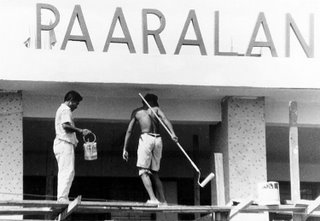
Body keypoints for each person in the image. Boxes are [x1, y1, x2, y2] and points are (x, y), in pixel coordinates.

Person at [122, 93, 178, 205]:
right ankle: (163, 201)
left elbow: (129, 131)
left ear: (143, 101)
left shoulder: (137, 112)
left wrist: (125, 148)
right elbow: (165, 120)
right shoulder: (156, 109)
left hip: (146, 138)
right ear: (154, 101)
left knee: (143, 171)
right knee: (155, 172)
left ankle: (153, 199)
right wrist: (173, 134)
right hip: (158, 140)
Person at [53, 90, 91, 203]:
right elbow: (65, 126)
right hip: (64, 143)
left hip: (62, 143)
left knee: (65, 170)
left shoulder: (63, 109)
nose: (77, 106)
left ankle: (62, 197)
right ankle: (62, 198)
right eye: (76, 103)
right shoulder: (66, 109)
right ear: (70, 101)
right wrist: (81, 130)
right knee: (67, 171)